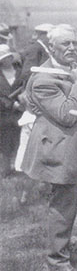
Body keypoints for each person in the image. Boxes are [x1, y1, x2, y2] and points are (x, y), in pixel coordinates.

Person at [21, 24, 77, 271]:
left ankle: (64, 250)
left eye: (75, 44)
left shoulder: (68, 71)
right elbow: (67, 115)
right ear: (51, 46)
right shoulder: (44, 78)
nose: (71, 48)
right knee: (62, 206)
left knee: (74, 201)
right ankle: (57, 262)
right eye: (65, 44)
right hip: (59, 151)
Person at [0, 44, 22, 176]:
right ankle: (6, 169)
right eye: (3, 58)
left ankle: (20, 167)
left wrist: (22, 100)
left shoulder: (19, 71)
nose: (6, 60)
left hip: (21, 112)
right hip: (3, 114)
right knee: (6, 141)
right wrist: (10, 104)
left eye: (8, 57)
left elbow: (26, 86)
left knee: (20, 139)